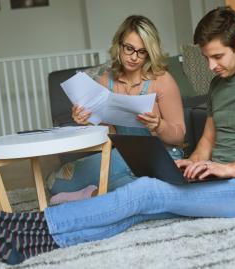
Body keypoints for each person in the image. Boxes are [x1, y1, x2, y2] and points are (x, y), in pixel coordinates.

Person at [0, 7, 235, 265]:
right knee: (137, 209)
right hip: (212, 178)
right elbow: (208, 142)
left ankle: (25, 225)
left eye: (217, 56)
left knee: (146, 191)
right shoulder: (218, 84)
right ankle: (29, 245)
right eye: (206, 57)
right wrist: (192, 163)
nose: (211, 66)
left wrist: (228, 169)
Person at [48, 15, 185, 204]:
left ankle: (93, 195)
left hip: (162, 155)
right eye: (129, 48)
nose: (134, 57)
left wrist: (158, 125)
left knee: (130, 179)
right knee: (56, 182)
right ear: (119, 45)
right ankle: (128, 191)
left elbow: (179, 136)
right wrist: (87, 120)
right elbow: (109, 135)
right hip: (124, 154)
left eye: (142, 52)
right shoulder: (106, 81)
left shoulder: (162, 81)